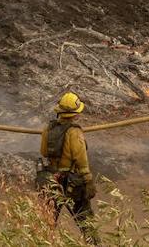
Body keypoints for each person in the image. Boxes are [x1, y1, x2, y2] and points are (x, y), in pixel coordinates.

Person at [39, 91, 100, 244]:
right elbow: (81, 159)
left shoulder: (48, 128)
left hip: (52, 181)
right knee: (86, 222)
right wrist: (89, 181)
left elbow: (44, 152)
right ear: (75, 113)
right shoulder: (74, 131)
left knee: (47, 222)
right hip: (73, 184)